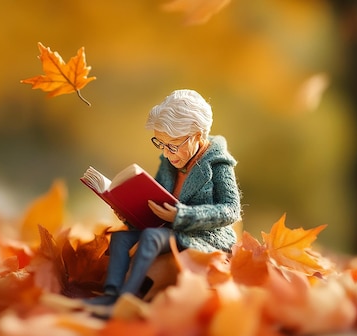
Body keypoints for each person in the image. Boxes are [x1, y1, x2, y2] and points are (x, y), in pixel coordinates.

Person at [85, 89, 241, 306]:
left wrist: (183, 215)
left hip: (202, 234)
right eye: (161, 144)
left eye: (173, 146)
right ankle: (111, 293)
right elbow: (155, 200)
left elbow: (230, 209)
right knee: (120, 239)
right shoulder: (169, 162)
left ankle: (125, 298)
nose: (167, 153)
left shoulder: (218, 164)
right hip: (166, 228)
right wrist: (127, 211)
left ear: (197, 135)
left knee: (151, 238)